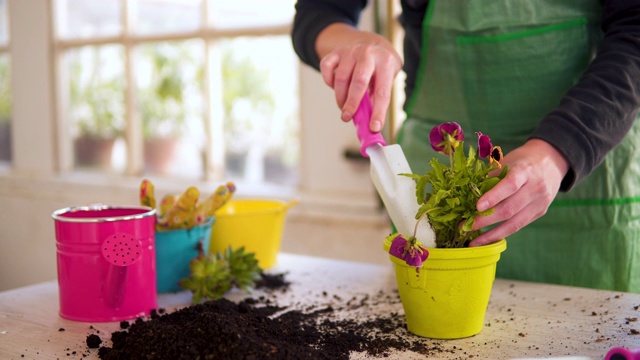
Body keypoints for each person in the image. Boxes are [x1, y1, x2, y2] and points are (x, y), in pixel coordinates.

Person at [292, 0, 640, 293]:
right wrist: (351, 41)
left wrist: (559, 149)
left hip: (585, 181)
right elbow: (319, 10)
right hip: (434, 183)